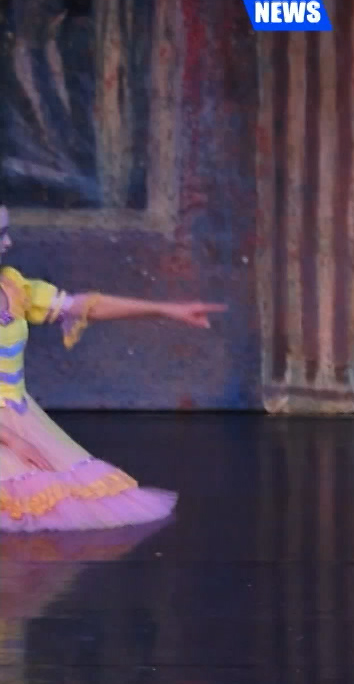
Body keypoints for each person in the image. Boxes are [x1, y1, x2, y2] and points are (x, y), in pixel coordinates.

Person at [0, 205, 225, 532]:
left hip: (20, 416)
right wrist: (12, 441)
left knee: (58, 501)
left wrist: (166, 309)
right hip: (7, 432)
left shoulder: (12, 288)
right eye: (0, 235)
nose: (8, 243)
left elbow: (85, 306)